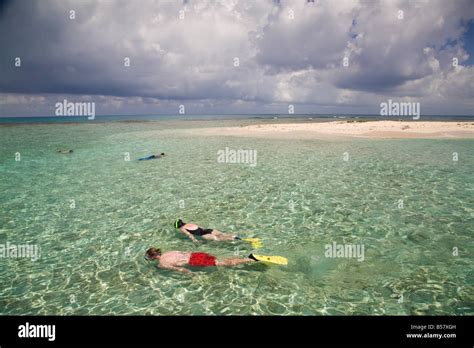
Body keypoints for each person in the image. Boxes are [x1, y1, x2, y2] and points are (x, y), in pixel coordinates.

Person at [144, 247, 258, 274]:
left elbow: (181, 269)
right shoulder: (170, 252)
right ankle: (243, 259)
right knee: (220, 261)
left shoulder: (162, 263)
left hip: (195, 261)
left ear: (153, 257)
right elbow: (185, 253)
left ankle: (249, 259)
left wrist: (192, 275)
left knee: (223, 264)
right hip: (196, 254)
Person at [174, 218, 240, 243]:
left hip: (204, 235)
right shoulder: (190, 223)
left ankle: (234, 239)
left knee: (218, 239)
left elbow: (189, 235)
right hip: (208, 230)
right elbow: (201, 227)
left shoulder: (183, 229)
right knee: (223, 234)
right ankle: (235, 236)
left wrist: (194, 240)